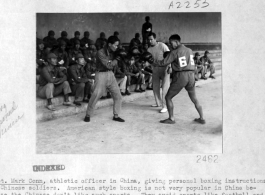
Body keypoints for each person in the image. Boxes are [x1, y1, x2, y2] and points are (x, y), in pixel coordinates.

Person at [142, 34, 205, 124]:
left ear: (176, 42)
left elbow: (163, 62)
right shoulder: (189, 50)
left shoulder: (175, 52)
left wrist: (151, 61)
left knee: (168, 97)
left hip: (181, 76)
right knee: (194, 98)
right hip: (191, 75)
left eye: (171, 43)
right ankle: (202, 118)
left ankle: (171, 118)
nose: (170, 45)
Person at [84, 36, 125, 123]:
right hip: (101, 74)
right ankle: (88, 114)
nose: (117, 47)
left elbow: (114, 64)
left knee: (118, 95)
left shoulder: (114, 51)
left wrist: (121, 56)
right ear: (110, 44)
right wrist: (117, 59)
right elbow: (108, 65)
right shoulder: (100, 52)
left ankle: (116, 115)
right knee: (96, 95)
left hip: (110, 74)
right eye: (116, 45)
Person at [147, 32, 171, 113]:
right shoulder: (149, 49)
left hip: (165, 68)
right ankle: (158, 103)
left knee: (165, 88)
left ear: (155, 38)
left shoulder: (162, 45)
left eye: (151, 39)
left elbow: (169, 56)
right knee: (155, 87)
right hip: (155, 69)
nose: (150, 41)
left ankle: (165, 106)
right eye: (148, 40)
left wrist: (170, 67)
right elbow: (149, 61)